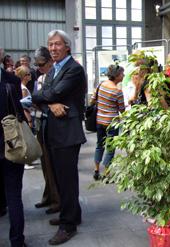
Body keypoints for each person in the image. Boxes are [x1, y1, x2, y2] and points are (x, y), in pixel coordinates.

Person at [32, 30, 87, 245]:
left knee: (66, 180)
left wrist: (46, 98)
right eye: (50, 44)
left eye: (57, 44)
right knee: (61, 178)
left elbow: (49, 93)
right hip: (54, 131)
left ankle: (68, 225)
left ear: (67, 46)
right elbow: (48, 93)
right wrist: (50, 102)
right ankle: (73, 214)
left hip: (67, 133)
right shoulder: (55, 68)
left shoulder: (74, 69)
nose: (53, 48)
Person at [0, 47, 27, 247]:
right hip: (11, 145)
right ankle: (17, 241)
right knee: (14, 195)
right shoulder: (12, 81)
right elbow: (18, 114)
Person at [32, 46, 61, 215]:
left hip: (53, 126)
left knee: (53, 166)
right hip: (41, 123)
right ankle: (49, 195)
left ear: (50, 62)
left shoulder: (56, 76)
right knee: (45, 164)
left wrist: (42, 101)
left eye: (41, 63)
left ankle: (57, 199)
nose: (38, 67)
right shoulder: (41, 77)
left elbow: (52, 99)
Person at [91, 64, 125, 180]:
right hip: (112, 123)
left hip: (99, 120)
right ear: (117, 76)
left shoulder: (101, 85)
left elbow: (92, 100)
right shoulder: (117, 91)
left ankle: (96, 170)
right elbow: (122, 110)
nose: (123, 76)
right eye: (122, 74)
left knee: (99, 145)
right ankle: (106, 173)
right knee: (110, 148)